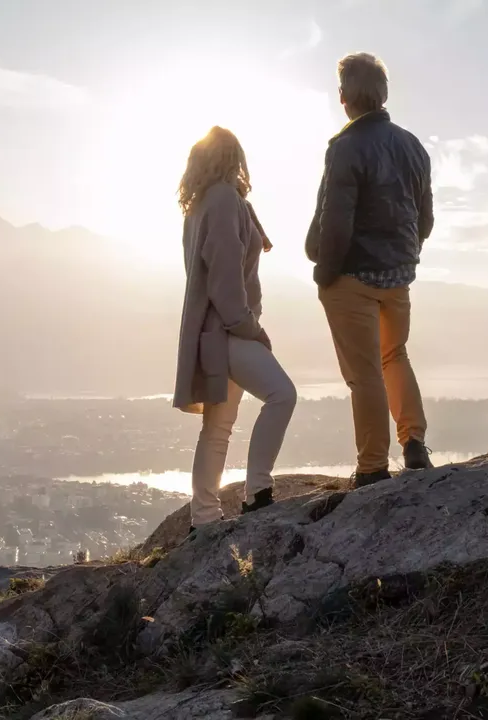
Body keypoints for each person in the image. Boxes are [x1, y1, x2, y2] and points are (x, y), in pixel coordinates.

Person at [306, 52, 434, 488]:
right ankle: (414, 442)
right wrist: (405, 255)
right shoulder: (413, 145)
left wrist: (325, 274)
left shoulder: (345, 148)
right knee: (394, 355)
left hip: (353, 278)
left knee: (364, 375)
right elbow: (425, 218)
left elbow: (335, 220)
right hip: (398, 277)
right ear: (383, 94)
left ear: (343, 97)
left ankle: (373, 468)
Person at [173, 126, 296, 530]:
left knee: (218, 427)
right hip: (228, 329)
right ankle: (258, 492)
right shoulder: (225, 200)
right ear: (233, 158)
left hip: (209, 333)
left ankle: (204, 518)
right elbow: (225, 278)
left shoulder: (201, 205)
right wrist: (249, 327)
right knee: (281, 395)